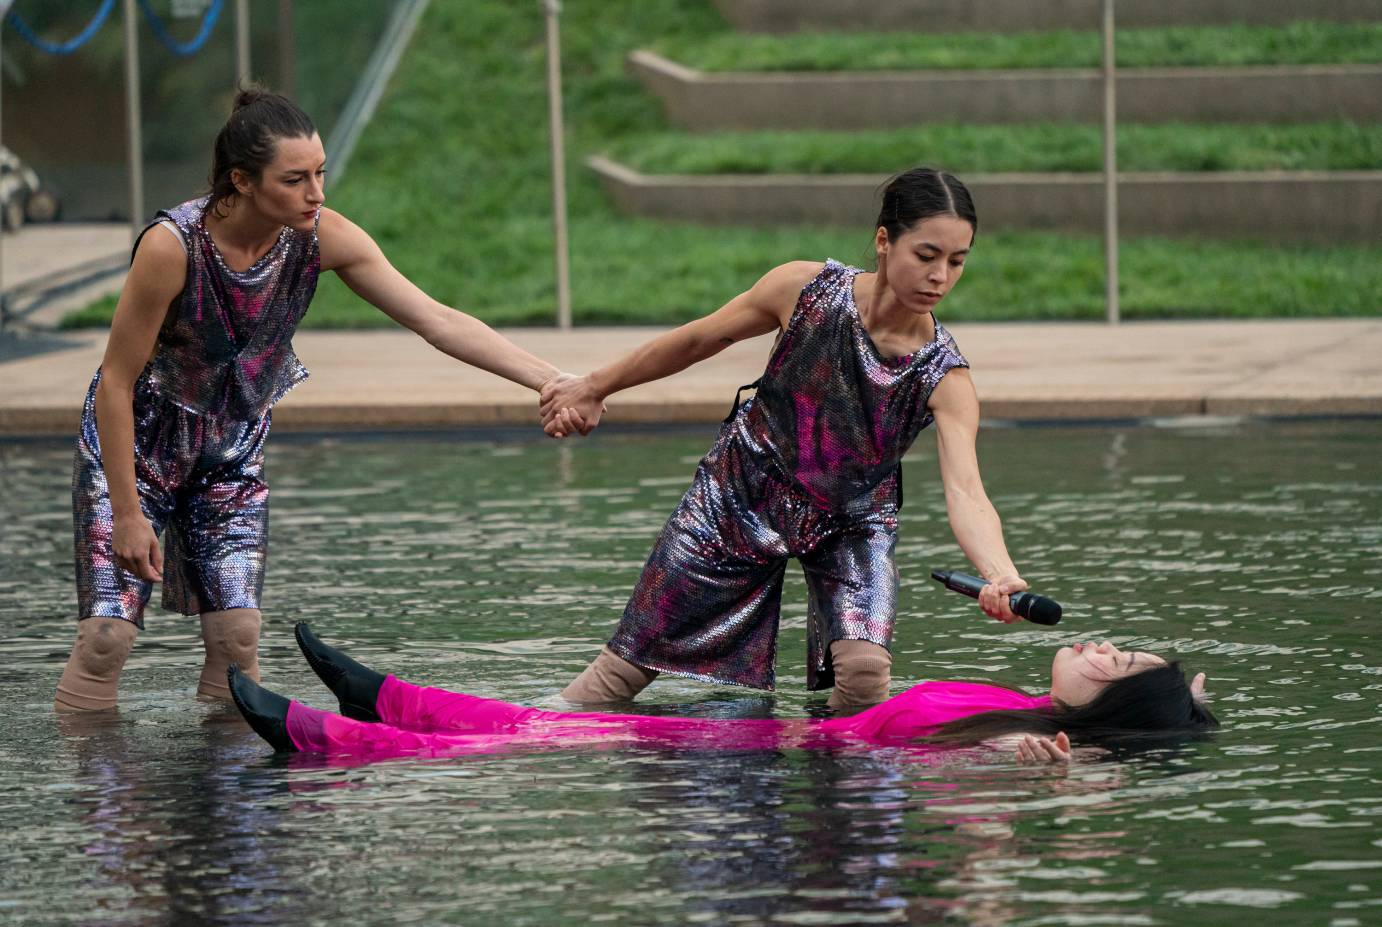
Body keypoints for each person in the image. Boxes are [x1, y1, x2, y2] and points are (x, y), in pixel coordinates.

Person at [54, 87, 581, 712]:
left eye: (321, 173)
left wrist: (555, 380)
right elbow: (115, 380)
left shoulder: (318, 237)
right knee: (108, 638)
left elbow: (436, 318)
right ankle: (100, 798)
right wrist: (127, 512)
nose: (317, 194)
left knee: (238, 638)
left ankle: (222, 788)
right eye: (296, 179)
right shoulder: (174, 248)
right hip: (137, 452)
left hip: (229, 454)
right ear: (242, 181)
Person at [540, 167, 1026, 709]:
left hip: (852, 520)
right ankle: (541, 735)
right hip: (740, 492)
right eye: (927, 254)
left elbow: (966, 491)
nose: (940, 276)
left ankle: (844, 780)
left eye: (957, 261)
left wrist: (1000, 573)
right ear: (885, 241)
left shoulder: (947, 377)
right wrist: (593, 386)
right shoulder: (804, 290)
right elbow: (699, 338)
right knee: (621, 672)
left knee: (865, 673)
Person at [229, 623, 1217, 764]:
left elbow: (1061, 803)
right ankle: (384, 695)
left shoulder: (1028, 749)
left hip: (767, 763)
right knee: (557, 723)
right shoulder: (1016, 698)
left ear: (1110, 714)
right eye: (1121, 646)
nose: (1098, 646)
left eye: (1117, 668)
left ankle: (333, 739)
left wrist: (1079, 771)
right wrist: (1182, 706)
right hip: (769, 738)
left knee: (537, 742)